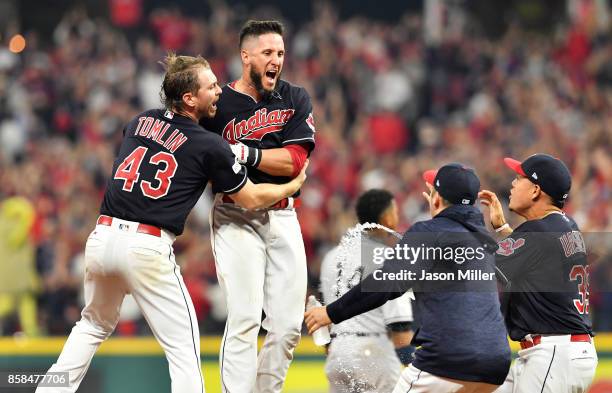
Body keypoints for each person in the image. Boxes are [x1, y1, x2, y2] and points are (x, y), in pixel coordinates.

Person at [36, 54, 308, 393]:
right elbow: (251, 199)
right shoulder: (209, 144)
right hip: (147, 246)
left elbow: (154, 147)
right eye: (210, 87)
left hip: (103, 237)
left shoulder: (140, 120)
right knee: (183, 349)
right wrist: (291, 186)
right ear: (189, 98)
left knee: (91, 324)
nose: (219, 91)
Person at [305, 163, 511, 393]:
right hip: (496, 364)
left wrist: (331, 313)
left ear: (435, 200)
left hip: (447, 361)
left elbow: (387, 283)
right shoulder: (485, 241)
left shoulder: (428, 233)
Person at [199, 20, 315, 393]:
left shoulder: (295, 97)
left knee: (287, 327)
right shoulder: (217, 103)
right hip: (235, 215)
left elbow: (294, 161)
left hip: (283, 212)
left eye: (280, 53)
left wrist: (242, 152)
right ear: (245, 56)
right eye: (267, 52)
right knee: (246, 317)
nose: (276, 60)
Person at [479, 154, 597, 393]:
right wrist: (503, 230)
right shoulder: (565, 225)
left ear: (535, 191)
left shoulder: (538, 232)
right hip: (562, 350)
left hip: (553, 354)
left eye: (518, 178)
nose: (512, 184)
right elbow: (531, 258)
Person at [320, 189, 414, 393]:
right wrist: (417, 368)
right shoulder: (386, 257)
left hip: (337, 352)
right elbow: (400, 326)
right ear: (387, 217)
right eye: (395, 211)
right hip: (373, 353)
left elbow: (322, 316)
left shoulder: (332, 256)